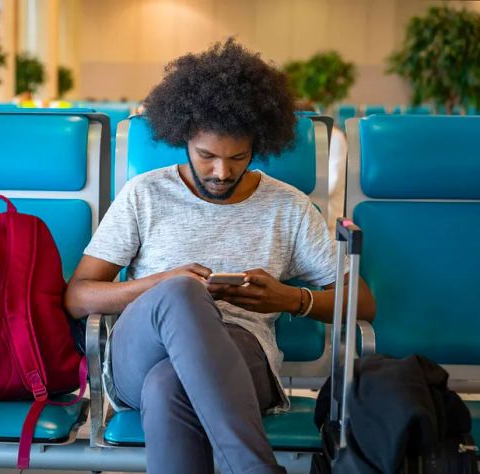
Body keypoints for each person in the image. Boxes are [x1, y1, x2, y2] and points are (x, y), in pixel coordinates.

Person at [65, 39, 376, 474]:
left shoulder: (286, 206)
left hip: (242, 356)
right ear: (183, 138)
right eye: (207, 156)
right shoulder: (146, 194)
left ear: (258, 144)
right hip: (141, 352)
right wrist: (162, 283)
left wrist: (289, 299)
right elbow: (78, 297)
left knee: (169, 385)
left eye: (238, 157)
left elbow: (360, 302)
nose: (222, 172)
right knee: (180, 294)